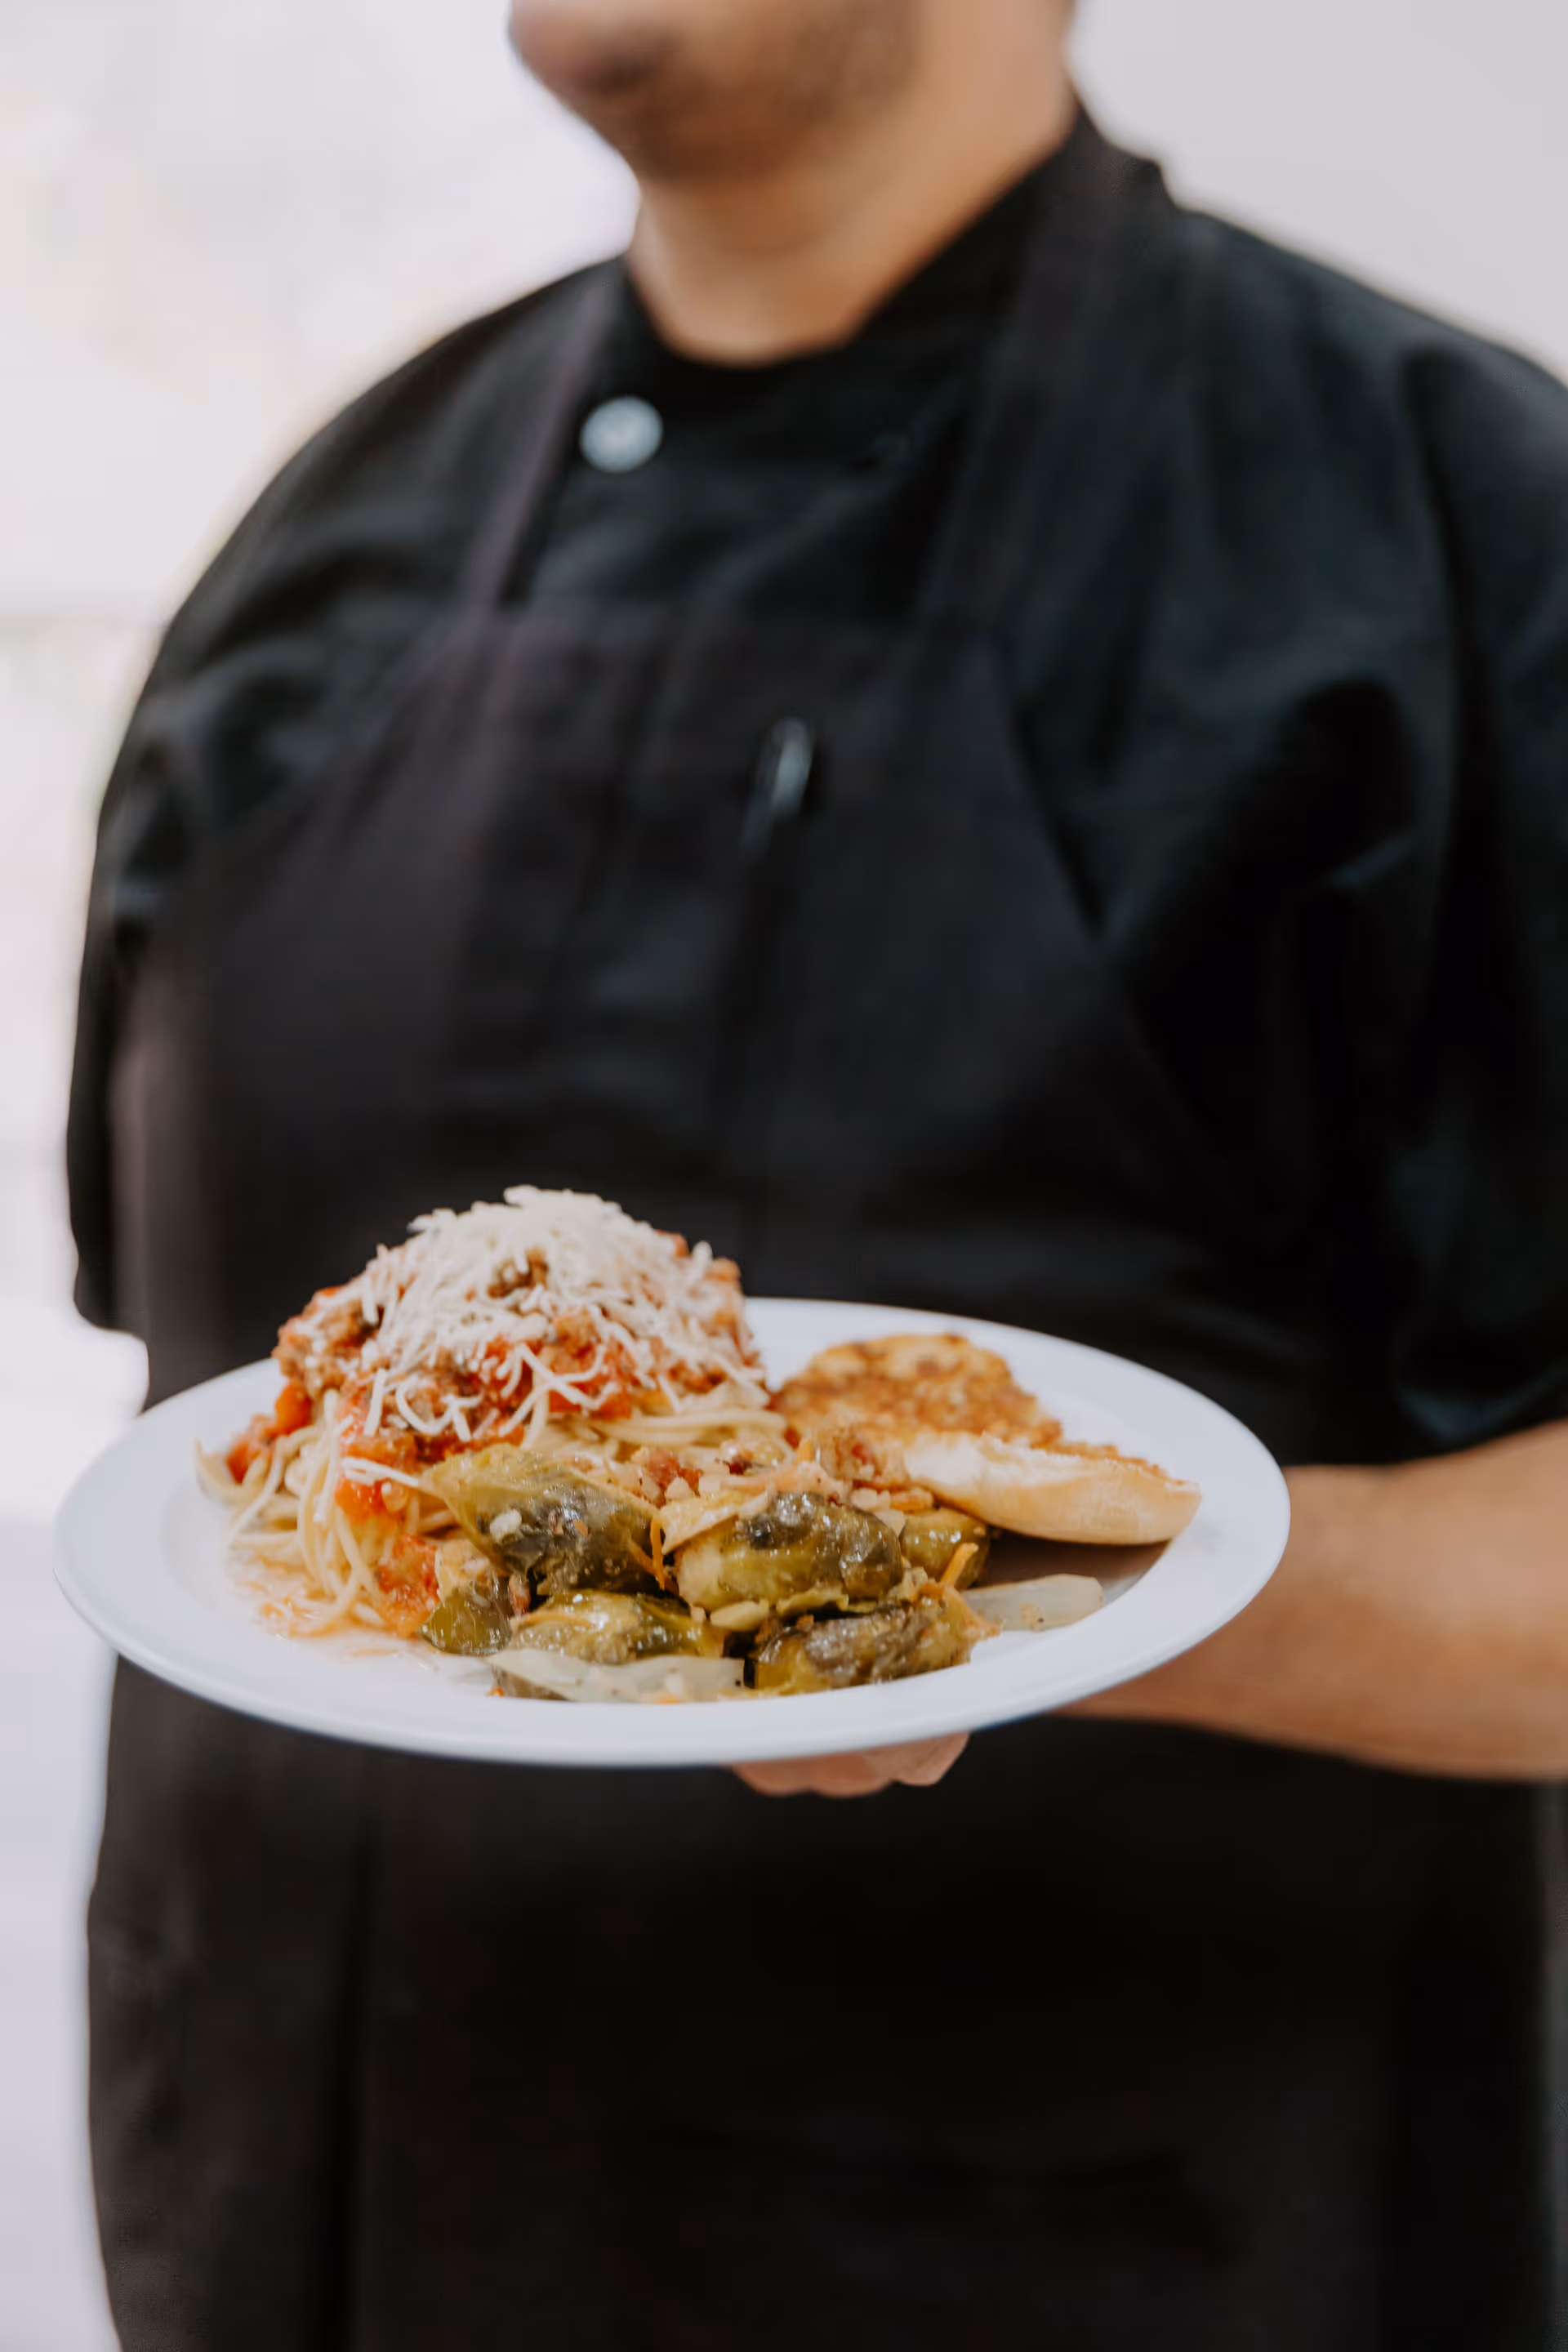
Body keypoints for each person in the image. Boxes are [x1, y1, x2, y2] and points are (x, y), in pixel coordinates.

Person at [68, 1, 1568, 2344]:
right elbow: (185, 1413)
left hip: (1080, 2251)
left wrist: (1027, 1593)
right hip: (271, 2216)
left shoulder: (1458, 531)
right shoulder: (319, 536)